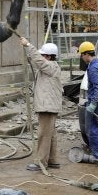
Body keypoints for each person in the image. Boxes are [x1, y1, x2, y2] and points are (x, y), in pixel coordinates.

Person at [20, 37, 62, 172]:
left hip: (47, 106)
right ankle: (52, 160)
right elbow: (37, 62)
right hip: (49, 105)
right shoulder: (48, 68)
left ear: (49, 57)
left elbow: (39, 61)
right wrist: (29, 54)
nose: (41, 57)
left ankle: (41, 162)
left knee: (44, 134)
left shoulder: (50, 66)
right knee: (51, 133)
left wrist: (28, 45)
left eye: (43, 55)